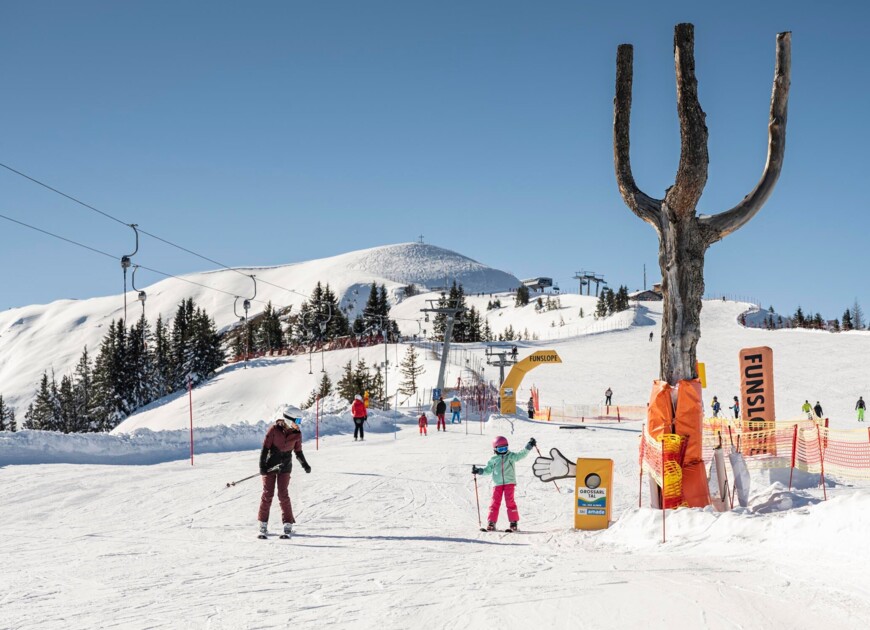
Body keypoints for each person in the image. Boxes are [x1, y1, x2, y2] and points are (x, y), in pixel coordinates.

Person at [257, 406, 311, 537]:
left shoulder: (297, 434)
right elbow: (265, 448)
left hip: (285, 467)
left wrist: (305, 464)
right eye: (297, 421)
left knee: (283, 494)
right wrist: (262, 466)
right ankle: (263, 523)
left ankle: (288, 523)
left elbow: (298, 451)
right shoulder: (274, 430)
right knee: (267, 493)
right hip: (271, 466)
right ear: (288, 419)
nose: (299, 424)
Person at [473, 436, 536, 532]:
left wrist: (529, 446)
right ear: (495, 449)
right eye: (500, 449)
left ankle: (513, 522)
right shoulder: (493, 459)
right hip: (497, 484)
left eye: (505, 448)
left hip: (509, 483)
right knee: (495, 502)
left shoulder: (511, 456)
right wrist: (479, 471)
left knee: (510, 501)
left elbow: (521, 455)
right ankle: (491, 522)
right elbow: (487, 470)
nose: (503, 451)